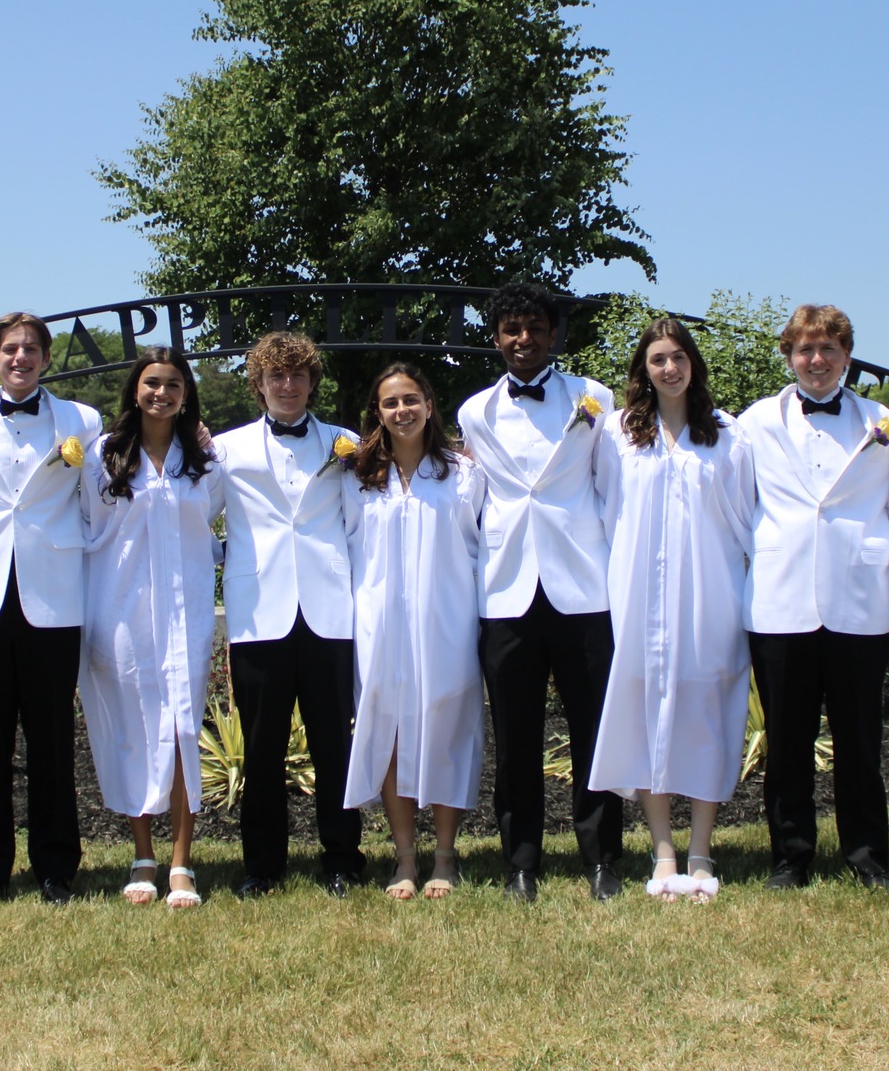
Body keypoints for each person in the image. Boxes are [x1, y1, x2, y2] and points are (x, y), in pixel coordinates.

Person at [456, 280, 622, 901]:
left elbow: (611, 486)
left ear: (554, 335)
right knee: (516, 736)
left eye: (534, 328)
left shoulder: (593, 399)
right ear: (497, 338)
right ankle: (521, 861)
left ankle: (603, 859)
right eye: (511, 329)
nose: (523, 339)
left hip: (584, 588)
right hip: (506, 593)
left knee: (593, 730)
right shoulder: (475, 411)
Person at [736, 304, 889, 891]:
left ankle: (867, 854)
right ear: (789, 356)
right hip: (781, 602)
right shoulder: (754, 424)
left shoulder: (884, 422)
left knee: (860, 737)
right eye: (805, 349)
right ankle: (790, 856)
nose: (817, 360)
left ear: (846, 356)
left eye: (829, 349)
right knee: (786, 739)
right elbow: (737, 507)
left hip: (860, 597)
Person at [590, 319, 751, 903]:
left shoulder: (728, 436)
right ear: (644, 369)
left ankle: (702, 847)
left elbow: (742, 520)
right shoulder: (616, 435)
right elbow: (606, 510)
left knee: (707, 708)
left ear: (693, 364)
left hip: (710, 592)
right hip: (637, 595)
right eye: (658, 359)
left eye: (679, 357)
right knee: (646, 712)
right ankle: (662, 849)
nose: (669, 369)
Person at [0, 312, 103, 907]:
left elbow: (96, 504)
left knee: (53, 739)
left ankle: (56, 869)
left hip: (54, 598)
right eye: (10, 349)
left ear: (45, 358)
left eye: (31, 349)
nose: (20, 358)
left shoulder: (80, 421)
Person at [215, 331, 365, 898]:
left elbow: (358, 524)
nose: (288, 385)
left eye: (298, 374)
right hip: (259, 614)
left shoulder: (345, 443)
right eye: (276, 376)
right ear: (259, 384)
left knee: (335, 745)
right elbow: (198, 519)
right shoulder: (226, 450)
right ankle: (262, 867)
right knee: (261, 746)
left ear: (311, 382)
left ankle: (344, 860)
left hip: (330, 612)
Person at [80, 349, 225, 908]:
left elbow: (207, 527)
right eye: (151, 383)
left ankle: (182, 859)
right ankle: (143, 854)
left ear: (185, 394)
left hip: (185, 610)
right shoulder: (104, 457)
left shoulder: (206, 462)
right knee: (133, 727)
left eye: (172, 385)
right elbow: (90, 526)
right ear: (134, 390)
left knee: (184, 726)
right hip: (122, 608)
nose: (161, 393)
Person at [342, 362, 486, 900]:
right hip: (378, 625)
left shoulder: (463, 475)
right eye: (389, 402)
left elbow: (479, 545)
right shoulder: (358, 478)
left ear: (428, 403)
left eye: (410, 399)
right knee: (389, 734)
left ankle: (445, 856)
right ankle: (405, 858)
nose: (401, 410)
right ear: (376, 413)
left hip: (445, 621)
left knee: (448, 728)